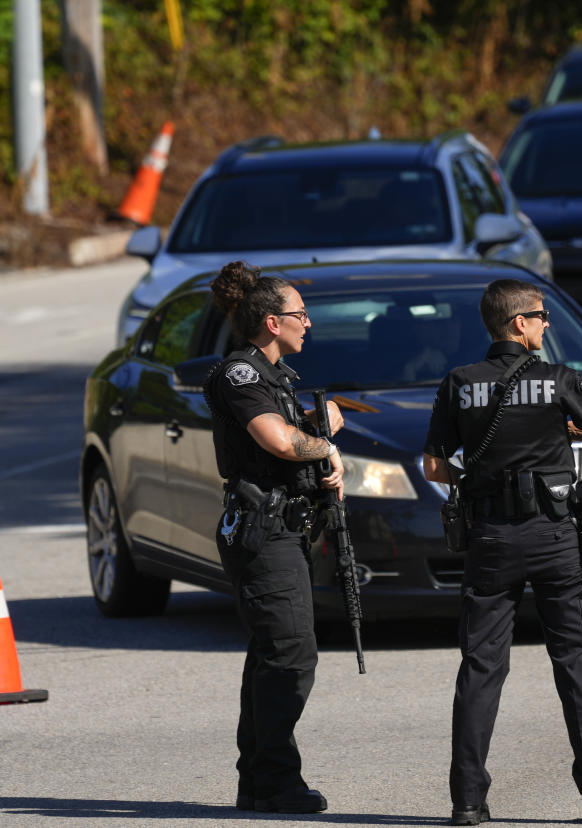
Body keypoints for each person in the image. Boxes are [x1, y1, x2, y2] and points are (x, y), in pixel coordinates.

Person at [421, 278, 582, 826]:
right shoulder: (559, 379)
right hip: (553, 539)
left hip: (492, 539)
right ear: (519, 323)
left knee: (480, 667)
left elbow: (433, 467)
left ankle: (467, 801)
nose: (548, 324)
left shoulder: (459, 383)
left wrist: (472, 476)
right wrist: (576, 433)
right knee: (575, 661)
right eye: (542, 316)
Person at [204, 260, 345, 814]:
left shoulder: (277, 378)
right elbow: (277, 442)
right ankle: (278, 782)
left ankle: (259, 781)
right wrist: (323, 444)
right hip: (261, 531)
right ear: (270, 322)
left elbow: (298, 438)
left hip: (286, 528)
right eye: (299, 315)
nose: (307, 323)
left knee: (272, 654)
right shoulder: (240, 375)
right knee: (290, 656)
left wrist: (323, 437)